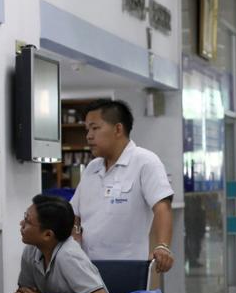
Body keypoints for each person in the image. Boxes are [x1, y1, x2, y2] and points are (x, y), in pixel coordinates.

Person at [72, 99, 175, 273]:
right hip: (87, 268)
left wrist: (163, 246)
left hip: (128, 268)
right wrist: (75, 234)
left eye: (95, 128)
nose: (89, 135)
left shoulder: (145, 162)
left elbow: (162, 207)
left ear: (118, 129)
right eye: (87, 130)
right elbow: (74, 213)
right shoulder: (92, 168)